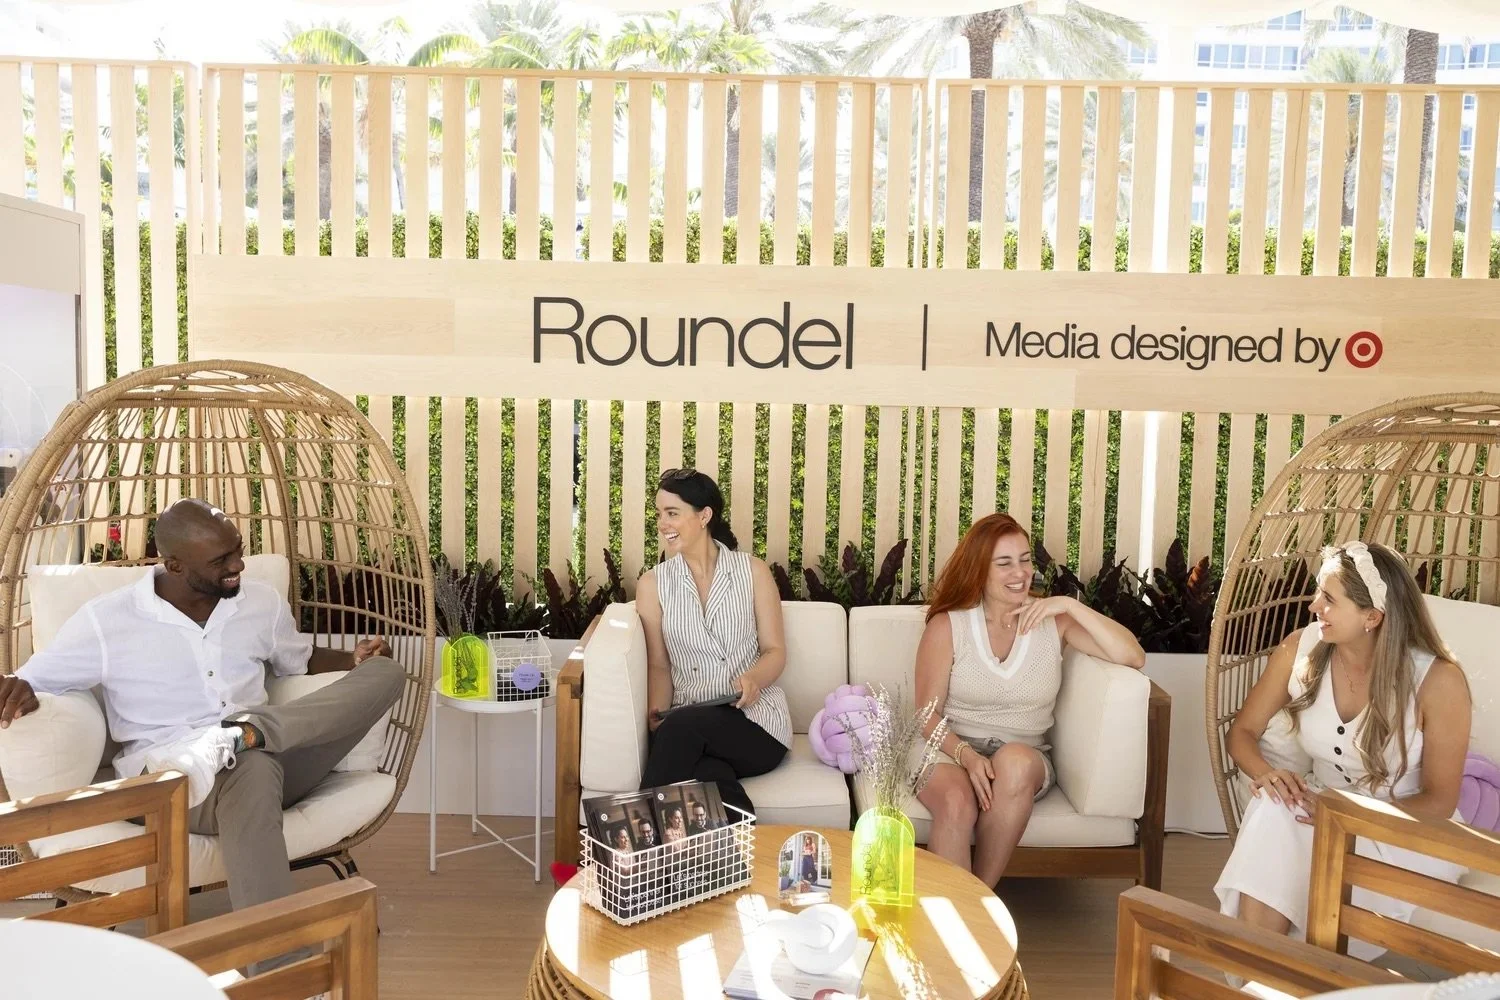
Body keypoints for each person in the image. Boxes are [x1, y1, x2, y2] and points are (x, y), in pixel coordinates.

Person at [0, 499, 405, 933]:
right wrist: (16, 686)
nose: (239, 565)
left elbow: (299, 660)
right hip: (173, 783)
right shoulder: (107, 620)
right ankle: (276, 969)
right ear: (174, 565)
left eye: (238, 550)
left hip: (277, 754)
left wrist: (355, 658)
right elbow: (32, 679)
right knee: (250, 767)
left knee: (388, 673)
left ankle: (246, 733)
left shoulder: (260, 604)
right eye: (221, 560)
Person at [1215, 541, 1471, 959]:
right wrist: (1267, 773)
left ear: (1372, 616)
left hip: (1399, 829)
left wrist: (1347, 815)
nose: (1314, 607)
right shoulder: (1300, 649)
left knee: (1291, 834)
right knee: (1273, 807)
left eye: (1329, 599)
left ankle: (1273, 977)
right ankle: (1258, 976)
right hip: (1321, 805)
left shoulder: (1439, 681)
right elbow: (1242, 732)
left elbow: (1441, 801)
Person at [914, 512, 1145, 886]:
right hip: (947, 748)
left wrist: (1071, 606)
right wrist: (967, 756)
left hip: (1023, 754)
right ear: (979, 571)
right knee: (957, 801)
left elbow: (1132, 656)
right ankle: (955, 924)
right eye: (1004, 563)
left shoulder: (1054, 623)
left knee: (1016, 763)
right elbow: (925, 716)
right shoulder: (948, 625)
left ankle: (980, 906)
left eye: (1024, 560)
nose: (1020, 572)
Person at [635, 468, 792, 819]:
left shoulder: (752, 571)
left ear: (704, 516)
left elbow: (775, 651)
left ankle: (629, 848)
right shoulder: (653, 584)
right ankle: (740, 856)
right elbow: (659, 664)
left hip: (754, 722)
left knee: (683, 729)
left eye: (672, 513)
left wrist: (754, 679)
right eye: (659, 514)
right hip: (688, 721)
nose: (662, 524)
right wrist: (656, 720)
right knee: (709, 775)